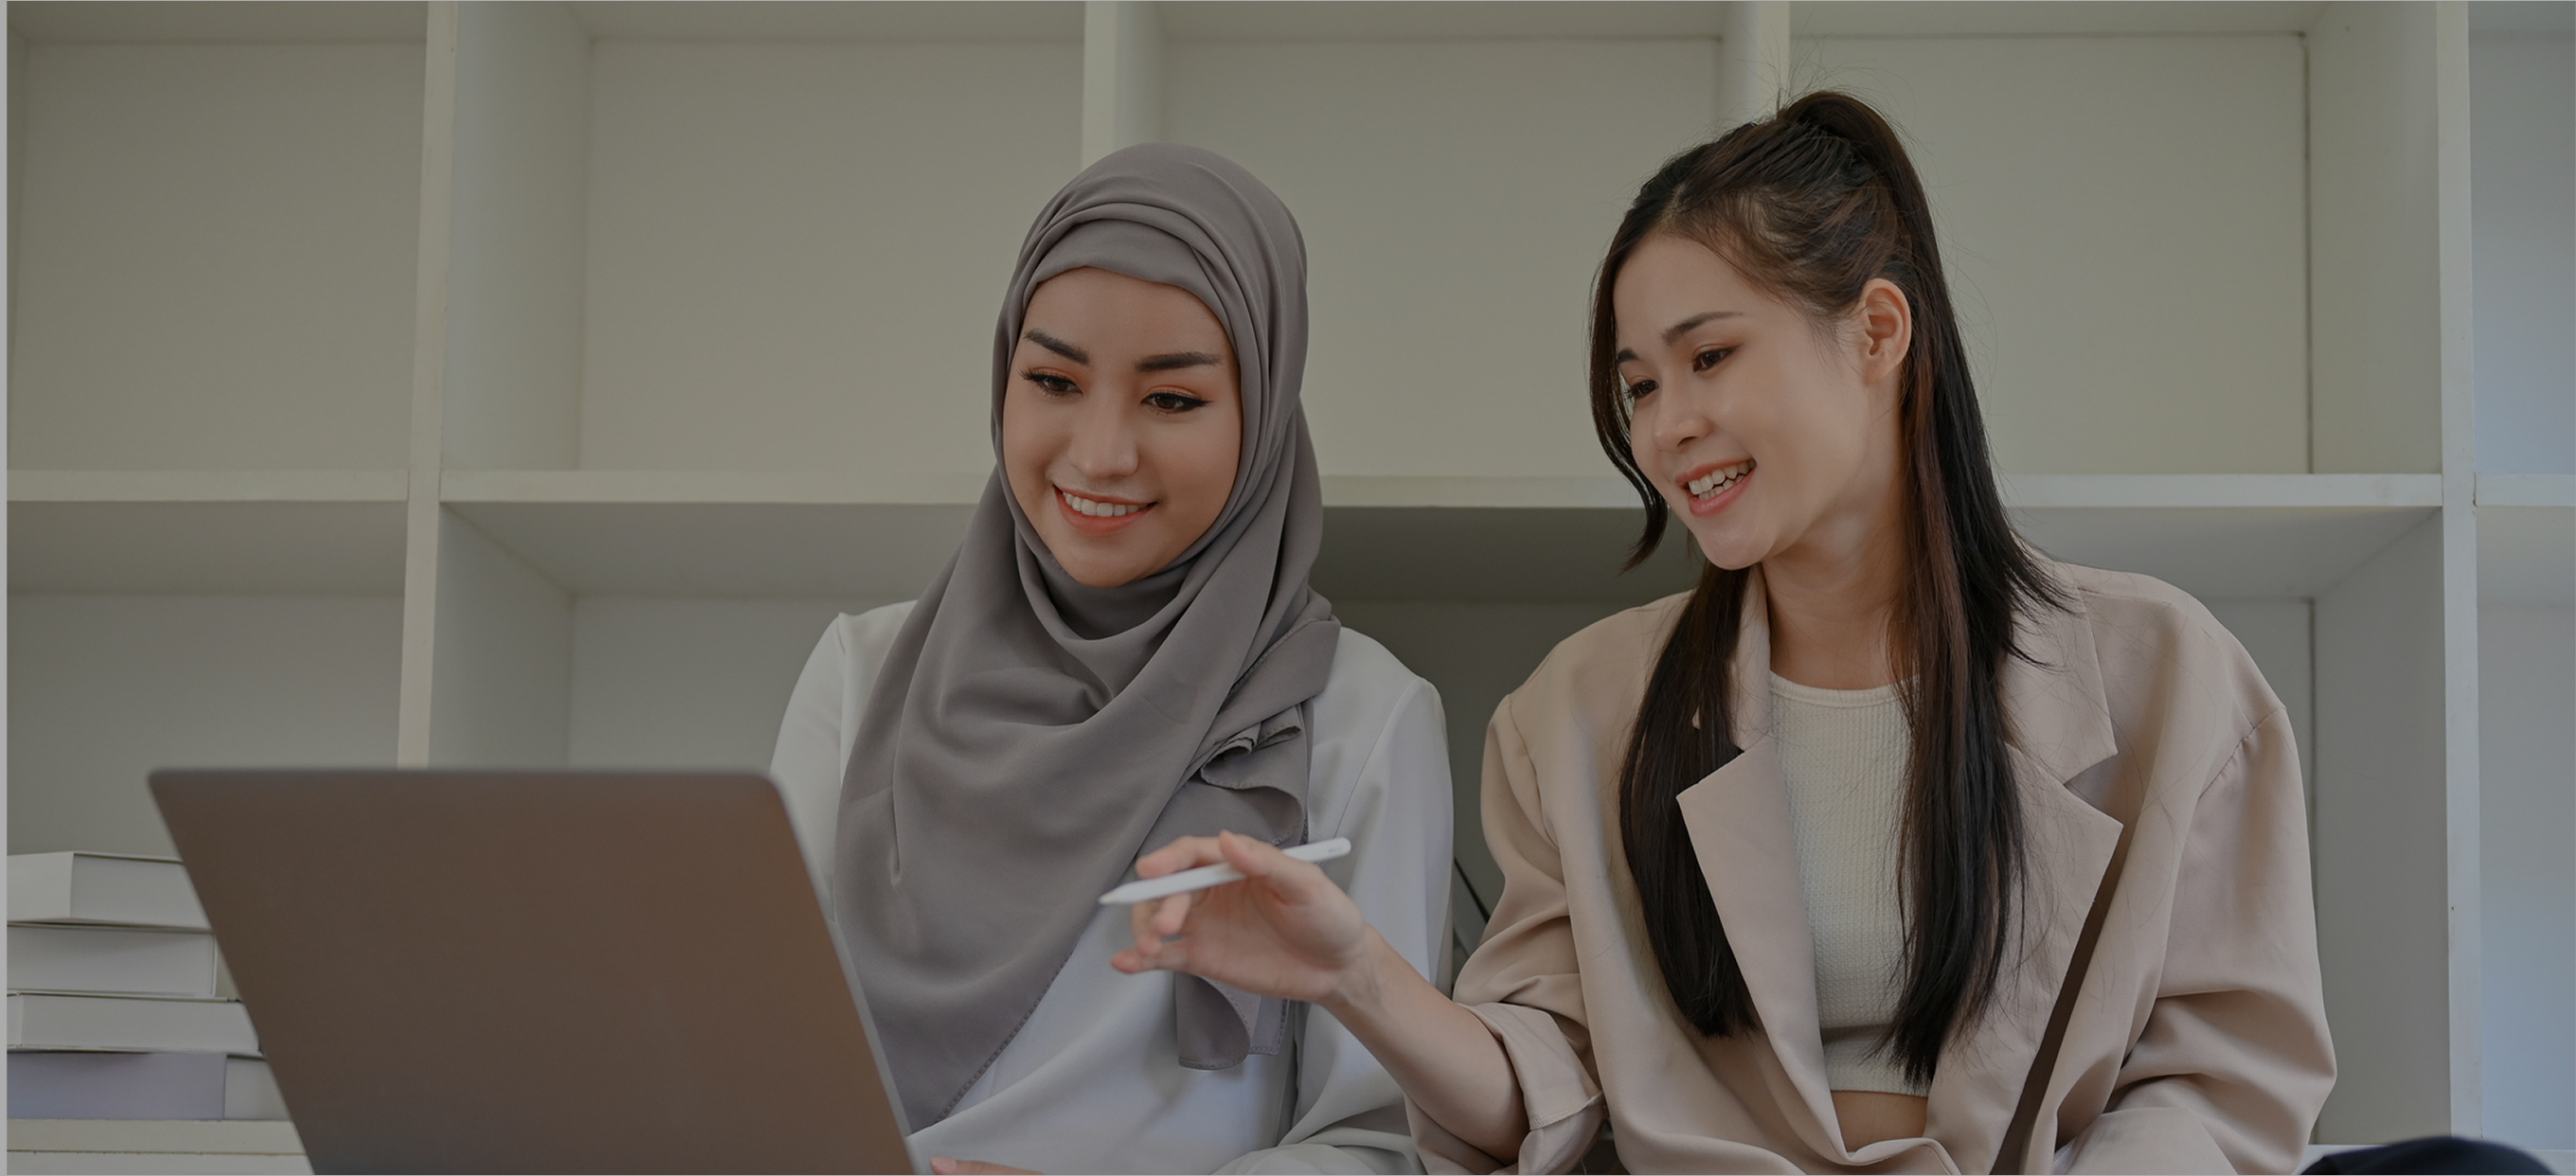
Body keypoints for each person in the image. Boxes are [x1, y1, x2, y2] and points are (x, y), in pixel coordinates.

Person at [1111, 93, 2342, 1173]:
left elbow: (2219, 1079)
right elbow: (1543, 1095)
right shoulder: (1576, 714)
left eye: (1710, 357)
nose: (1666, 427)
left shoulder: (2169, 679)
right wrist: (1356, 974)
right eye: (1639, 384)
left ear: (1876, 334)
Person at [768, 144, 1452, 1175]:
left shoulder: (1360, 716)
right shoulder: (860, 675)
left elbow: (1379, 1145)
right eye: (1051, 380)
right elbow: (745, 1064)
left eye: (1170, 400)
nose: (1098, 455)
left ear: (1263, 414)